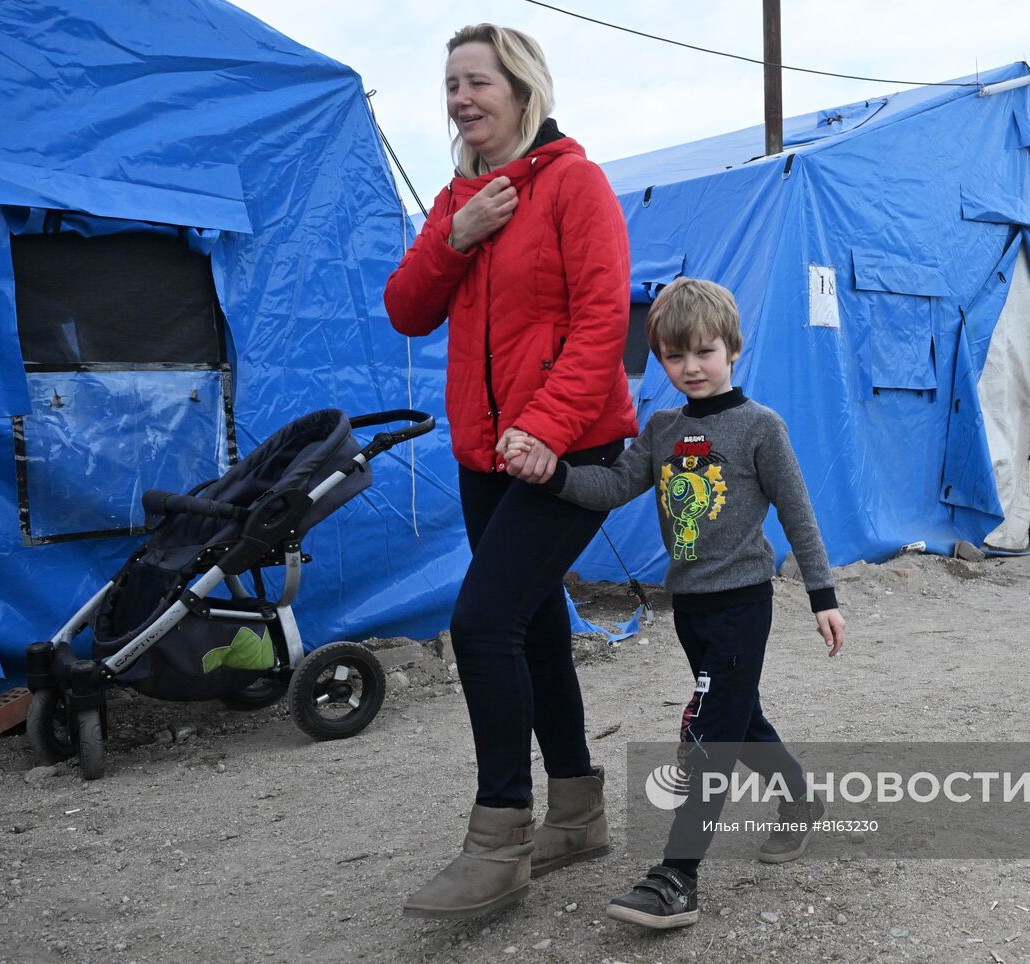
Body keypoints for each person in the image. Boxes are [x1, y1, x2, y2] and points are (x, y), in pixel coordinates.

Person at [383, 23, 637, 920]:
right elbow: (407, 309)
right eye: (450, 84)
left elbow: (605, 324)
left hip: (573, 453)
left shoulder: (576, 184)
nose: (460, 99)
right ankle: (577, 813)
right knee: (528, 629)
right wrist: (456, 233)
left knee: (482, 620)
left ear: (521, 89)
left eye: (477, 82)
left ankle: (499, 838)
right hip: (487, 458)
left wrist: (544, 427)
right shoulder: (460, 197)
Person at [505, 278, 845, 930]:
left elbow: (800, 517)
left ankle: (678, 876)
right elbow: (613, 486)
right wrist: (555, 473)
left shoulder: (760, 428)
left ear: (732, 349)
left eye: (704, 352)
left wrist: (821, 597)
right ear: (660, 358)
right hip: (688, 607)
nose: (690, 367)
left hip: (743, 602)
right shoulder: (661, 430)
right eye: (674, 356)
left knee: (709, 734)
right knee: (739, 720)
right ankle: (801, 800)